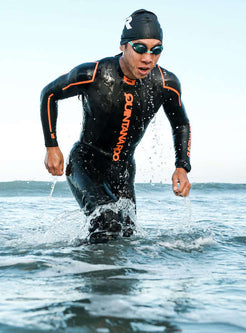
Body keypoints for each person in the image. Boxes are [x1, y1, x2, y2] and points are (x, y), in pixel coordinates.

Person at [40, 9, 191, 244]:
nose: (148, 58)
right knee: (107, 221)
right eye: (140, 48)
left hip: (123, 170)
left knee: (128, 235)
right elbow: (49, 94)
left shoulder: (165, 84)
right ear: (124, 46)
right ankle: (88, 276)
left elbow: (180, 124)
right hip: (85, 163)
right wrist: (52, 146)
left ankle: (106, 275)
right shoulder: (93, 74)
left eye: (156, 50)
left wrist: (182, 167)